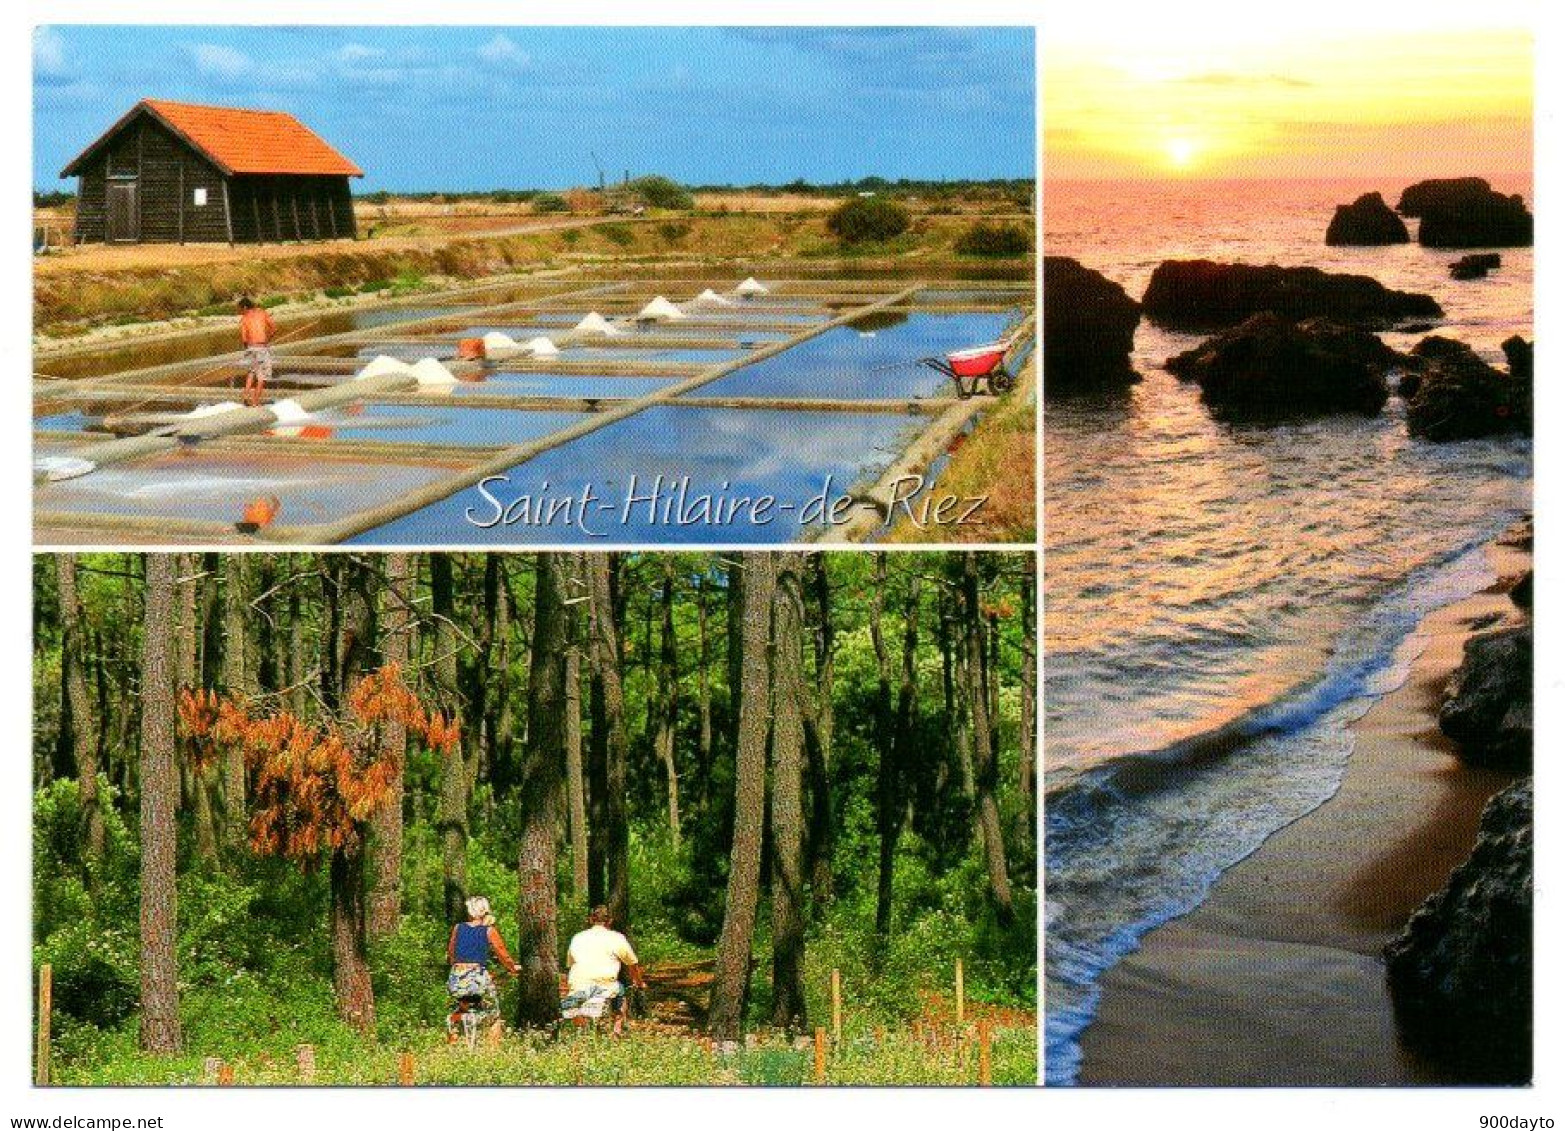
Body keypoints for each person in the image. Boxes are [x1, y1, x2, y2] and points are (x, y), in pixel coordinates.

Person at [563, 906, 645, 1036]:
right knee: (621, 992)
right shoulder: (617, 938)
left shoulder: (577, 937)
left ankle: (586, 1033)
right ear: (610, 921)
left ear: (590, 920)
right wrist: (639, 982)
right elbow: (632, 964)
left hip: (577, 982)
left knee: (575, 1009)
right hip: (604, 983)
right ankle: (616, 1030)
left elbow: (570, 963)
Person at [446, 896, 520, 1042]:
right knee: (494, 1013)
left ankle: (453, 1044)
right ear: (485, 911)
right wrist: (512, 968)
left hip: (456, 979)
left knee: (459, 1011)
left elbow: (451, 953)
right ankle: (493, 1053)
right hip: (475, 980)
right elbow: (502, 953)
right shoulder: (489, 931)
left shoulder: (458, 928)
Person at [237, 296, 275, 408]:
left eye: (240, 309)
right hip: (261, 347)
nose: (239, 312)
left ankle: (245, 396)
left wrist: (248, 349)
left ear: (245, 307)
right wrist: (267, 340)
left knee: (251, 372)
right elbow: (273, 328)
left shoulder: (244, 319)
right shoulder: (262, 313)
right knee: (261, 376)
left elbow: (244, 338)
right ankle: (255, 402)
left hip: (250, 348)